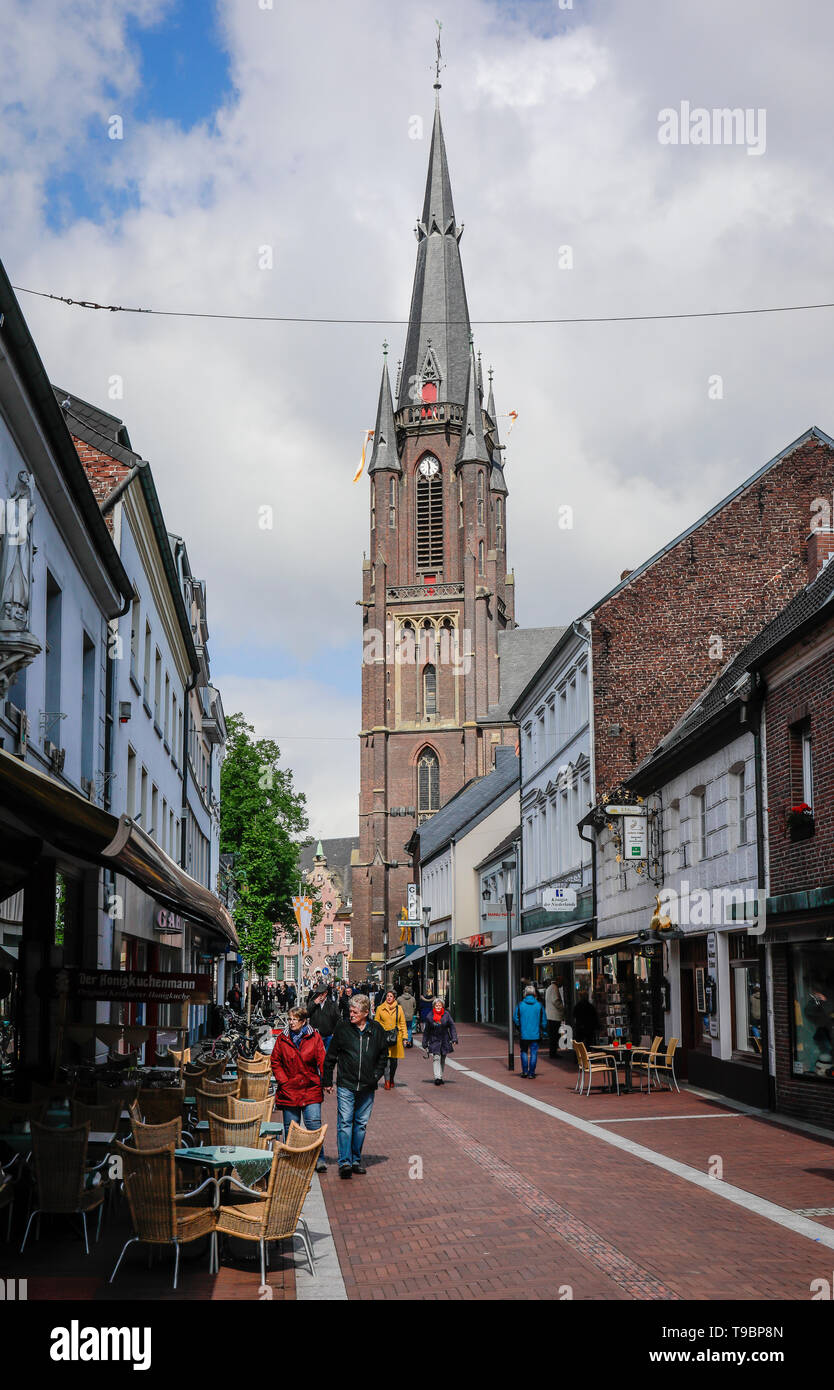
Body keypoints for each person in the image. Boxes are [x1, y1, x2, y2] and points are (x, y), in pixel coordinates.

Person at [322, 993, 388, 1177]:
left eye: (354, 1011)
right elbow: (331, 1056)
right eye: (350, 1011)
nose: (350, 1014)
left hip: (368, 1085)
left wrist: (376, 1076)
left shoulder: (376, 1030)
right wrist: (327, 1080)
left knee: (360, 1124)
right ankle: (345, 1163)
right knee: (345, 1122)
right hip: (346, 1083)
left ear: (366, 1012)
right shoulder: (343, 1028)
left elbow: (384, 1056)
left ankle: (355, 1159)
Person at [270, 1006, 327, 1173]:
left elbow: (321, 1060)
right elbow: (275, 1061)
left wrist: (325, 1080)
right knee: (290, 1127)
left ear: (303, 1022)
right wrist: (283, 1081)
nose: (291, 1022)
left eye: (295, 1019)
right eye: (289, 1019)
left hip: (310, 1087)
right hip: (290, 1089)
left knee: (314, 1124)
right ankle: (291, 1159)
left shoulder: (314, 1037)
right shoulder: (283, 1038)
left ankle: (319, 1158)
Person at [374, 987, 408, 1089]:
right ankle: (387, 1081)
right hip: (384, 1037)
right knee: (386, 1061)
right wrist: (378, 1033)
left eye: (391, 996)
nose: (389, 998)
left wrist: (405, 1037)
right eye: (387, 996)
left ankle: (392, 1078)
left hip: (396, 1038)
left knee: (394, 1062)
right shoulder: (380, 1008)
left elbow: (402, 1023)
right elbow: (376, 1022)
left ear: (394, 998)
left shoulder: (399, 1008)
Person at [513, 984, 548, 1079]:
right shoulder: (539, 1005)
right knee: (534, 1052)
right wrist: (544, 1030)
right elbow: (544, 1020)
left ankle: (524, 1071)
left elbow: (515, 1018)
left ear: (525, 993)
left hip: (524, 1034)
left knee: (523, 1051)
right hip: (535, 1034)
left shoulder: (520, 1005)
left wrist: (520, 1027)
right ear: (534, 993)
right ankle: (531, 1073)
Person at [422, 997, 458, 1084]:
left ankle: (440, 1076)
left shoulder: (446, 1015)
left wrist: (454, 1038)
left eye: (440, 1005)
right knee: (436, 1058)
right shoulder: (429, 1016)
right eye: (436, 1005)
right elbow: (426, 1031)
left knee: (442, 1058)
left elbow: (452, 1026)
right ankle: (437, 1078)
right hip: (434, 1040)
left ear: (442, 1006)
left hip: (445, 1040)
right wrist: (424, 1042)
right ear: (434, 1006)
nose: (438, 1006)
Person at [307, 984, 340, 1050]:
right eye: (318, 993)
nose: (320, 995)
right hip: (315, 1035)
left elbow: (338, 1019)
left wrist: (334, 1032)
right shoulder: (312, 1002)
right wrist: (314, 1004)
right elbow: (307, 1014)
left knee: (327, 1056)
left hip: (328, 1035)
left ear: (326, 993)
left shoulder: (332, 1004)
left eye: (322, 993)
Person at [545, 976, 566, 1058]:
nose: (562, 983)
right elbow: (555, 1001)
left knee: (553, 1036)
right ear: (558, 981)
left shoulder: (549, 988)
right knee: (554, 1036)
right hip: (554, 1016)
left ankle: (553, 1052)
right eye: (561, 981)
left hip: (551, 1016)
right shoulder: (554, 988)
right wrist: (562, 1008)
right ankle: (553, 1053)